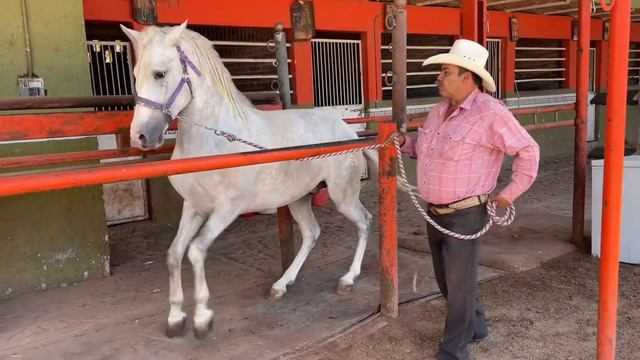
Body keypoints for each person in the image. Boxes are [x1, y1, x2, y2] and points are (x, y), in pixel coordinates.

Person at [397, 39, 540, 360]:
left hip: (466, 213)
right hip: (435, 212)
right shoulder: (437, 112)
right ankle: (475, 327)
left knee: (459, 286)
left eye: (445, 72)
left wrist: (509, 193)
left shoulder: (491, 113)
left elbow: (528, 150)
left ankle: (453, 351)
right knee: (447, 281)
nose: (438, 77)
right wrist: (405, 141)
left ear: (468, 77)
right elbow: (423, 148)